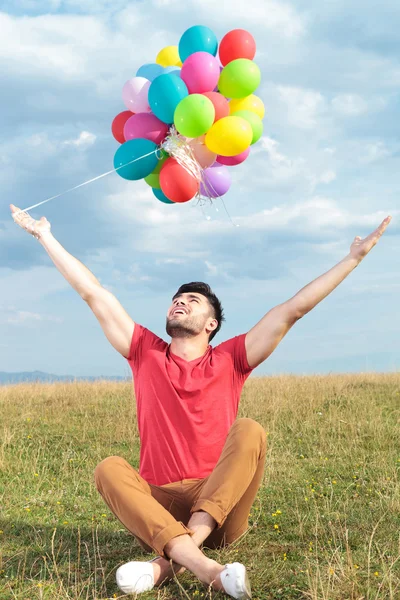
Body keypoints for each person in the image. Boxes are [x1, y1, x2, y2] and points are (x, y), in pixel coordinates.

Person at [10, 203, 391, 599]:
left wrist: (352, 260)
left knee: (250, 431)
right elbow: (94, 294)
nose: (181, 302)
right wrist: (45, 236)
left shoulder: (231, 358)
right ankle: (208, 569)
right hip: (159, 508)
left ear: (212, 324)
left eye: (192, 300)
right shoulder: (144, 351)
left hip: (220, 509)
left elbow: (293, 309)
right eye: (177, 299)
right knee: (109, 468)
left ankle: (168, 563)